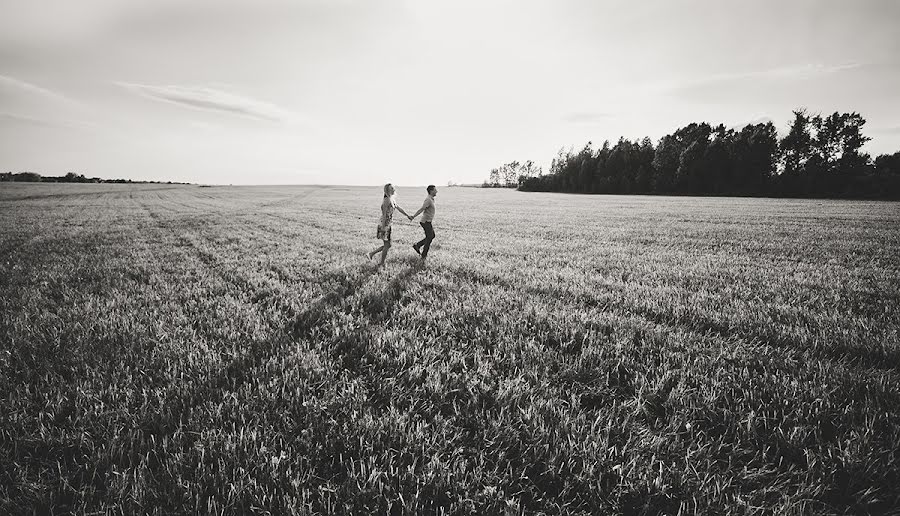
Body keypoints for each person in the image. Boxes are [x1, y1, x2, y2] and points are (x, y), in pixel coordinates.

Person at [368, 183, 411, 266]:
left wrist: (407, 215)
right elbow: (384, 214)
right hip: (384, 224)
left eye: (393, 188)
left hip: (388, 224)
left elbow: (399, 208)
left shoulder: (392, 199)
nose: (393, 189)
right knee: (387, 245)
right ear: (387, 190)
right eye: (391, 188)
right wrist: (384, 227)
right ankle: (381, 262)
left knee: (388, 245)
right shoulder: (386, 200)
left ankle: (372, 254)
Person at [409, 185, 437, 260]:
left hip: (428, 221)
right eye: (435, 190)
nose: (436, 191)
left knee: (431, 236)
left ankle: (417, 245)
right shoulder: (428, 200)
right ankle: (424, 255)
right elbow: (422, 209)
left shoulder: (431, 199)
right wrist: (413, 216)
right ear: (431, 191)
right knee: (429, 237)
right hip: (425, 222)